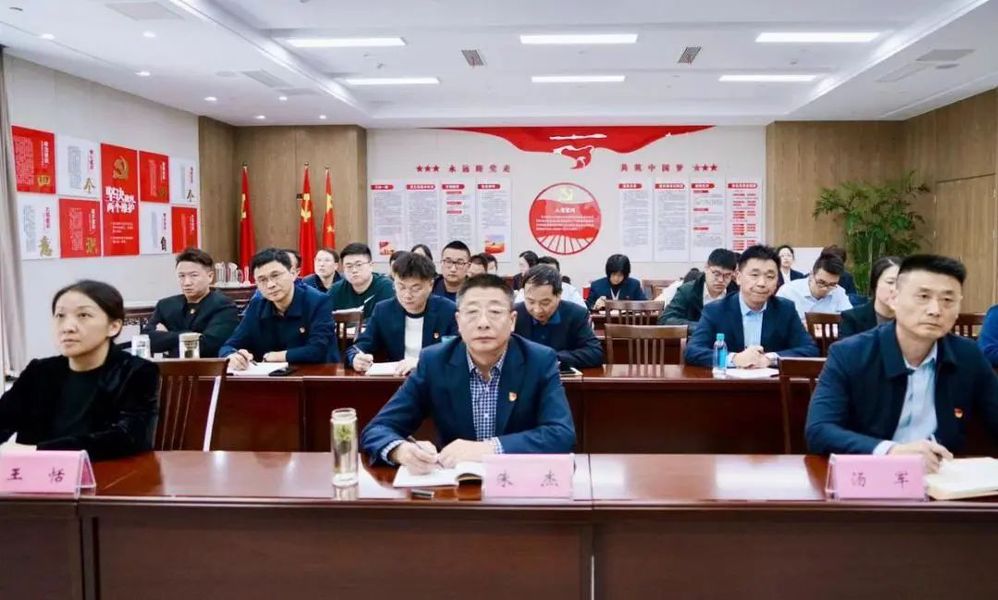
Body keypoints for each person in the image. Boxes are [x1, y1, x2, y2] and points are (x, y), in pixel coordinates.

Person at [360, 274, 576, 471]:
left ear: (512, 321)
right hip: (455, 487)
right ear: (458, 321)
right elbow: (377, 429)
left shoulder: (539, 360)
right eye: (472, 313)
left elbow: (561, 434)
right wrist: (401, 451)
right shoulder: (434, 362)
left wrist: (489, 449)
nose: (483, 323)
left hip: (516, 482)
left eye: (495, 312)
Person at [805, 255, 998, 472]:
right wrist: (891, 451)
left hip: (943, 476)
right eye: (923, 296)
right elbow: (819, 430)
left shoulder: (967, 355)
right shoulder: (850, 354)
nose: (935, 310)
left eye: (948, 300)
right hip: (872, 475)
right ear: (894, 299)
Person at [0, 280, 159, 460]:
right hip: (37, 474)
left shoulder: (136, 372)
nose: (67, 327)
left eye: (83, 315)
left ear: (113, 326)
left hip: (107, 473)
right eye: (60, 315)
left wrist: (40, 451)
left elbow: (130, 438)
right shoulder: (39, 372)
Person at [684, 245, 819, 368]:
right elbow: (692, 351)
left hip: (772, 384)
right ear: (738, 277)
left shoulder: (785, 309)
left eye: (770, 276)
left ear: (777, 281)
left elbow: (810, 350)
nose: (762, 283)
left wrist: (770, 359)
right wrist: (734, 359)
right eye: (754, 275)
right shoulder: (716, 310)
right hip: (728, 384)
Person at [220, 248, 337, 369]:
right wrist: (232, 356)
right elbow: (228, 346)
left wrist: (274, 356)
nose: (270, 285)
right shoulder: (257, 305)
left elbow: (317, 350)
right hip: (271, 376)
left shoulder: (318, 301)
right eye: (262, 280)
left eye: (275, 276)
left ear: (293, 273)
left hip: (316, 373)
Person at [346, 252, 458, 376]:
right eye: (401, 287)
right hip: (396, 380)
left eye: (415, 288)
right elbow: (360, 346)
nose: (407, 295)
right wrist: (355, 358)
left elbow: (459, 354)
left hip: (435, 379)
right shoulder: (383, 310)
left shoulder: (448, 311)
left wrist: (421, 362)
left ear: (430, 285)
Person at [141, 248, 239, 358]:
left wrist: (167, 341)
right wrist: (192, 336)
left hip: (207, 367)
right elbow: (146, 339)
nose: (187, 282)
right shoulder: (166, 305)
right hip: (171, 368)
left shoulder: (223, 305)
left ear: (210, 277)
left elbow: (209, 346)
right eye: (181, 276)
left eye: (194, 275)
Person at [514, 265, 603, 369]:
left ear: (559, 295)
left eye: (545, 303)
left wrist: (554, 357)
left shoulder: (576, 314)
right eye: (531, 302)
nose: (537, 309)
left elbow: (595, 353)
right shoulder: (514, 314)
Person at [658, 249, 738, 331]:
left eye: (727, 275)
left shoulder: (737, 294)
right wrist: (702, 327)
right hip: (693, 338)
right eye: (716, 274)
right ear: (706, 268)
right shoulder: (688, 291)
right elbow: (665, 320)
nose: (721, 280)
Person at [775, 253, 853, 321]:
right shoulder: (788, 291)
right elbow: (777, 323)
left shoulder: (839, 292)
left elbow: (850, 321)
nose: (825, 289)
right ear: (811, 275)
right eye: (821, 282)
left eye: (832, 284)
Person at [839, 256, 901, 338]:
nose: (895, 288)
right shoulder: (853, 318)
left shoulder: (913, 318)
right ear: (875, 284)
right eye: (890, 282)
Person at [328, 242, 394, 318]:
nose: (354, 270)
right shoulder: (336, 290)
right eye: (349, 266)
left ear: (371, 265)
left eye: (359, 265)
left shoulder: (386, 287)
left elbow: (387, 318)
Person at [514, 256, 586, 307]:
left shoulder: (570, 290)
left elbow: (583, 314)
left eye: (551, 274)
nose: (546, 278)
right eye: (542, 274)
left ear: (559, 276)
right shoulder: (525, 291)